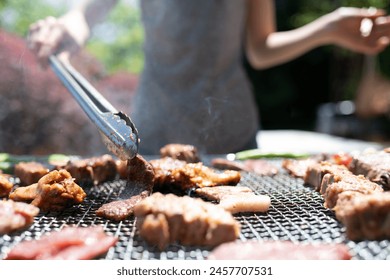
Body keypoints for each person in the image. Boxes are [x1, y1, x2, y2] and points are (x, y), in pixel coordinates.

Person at [27, 0, 390, 155]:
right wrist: (62, 29)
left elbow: (261, 49)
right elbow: (84, 15)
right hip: (154, 130)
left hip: (232, 133)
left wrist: (327, 28)